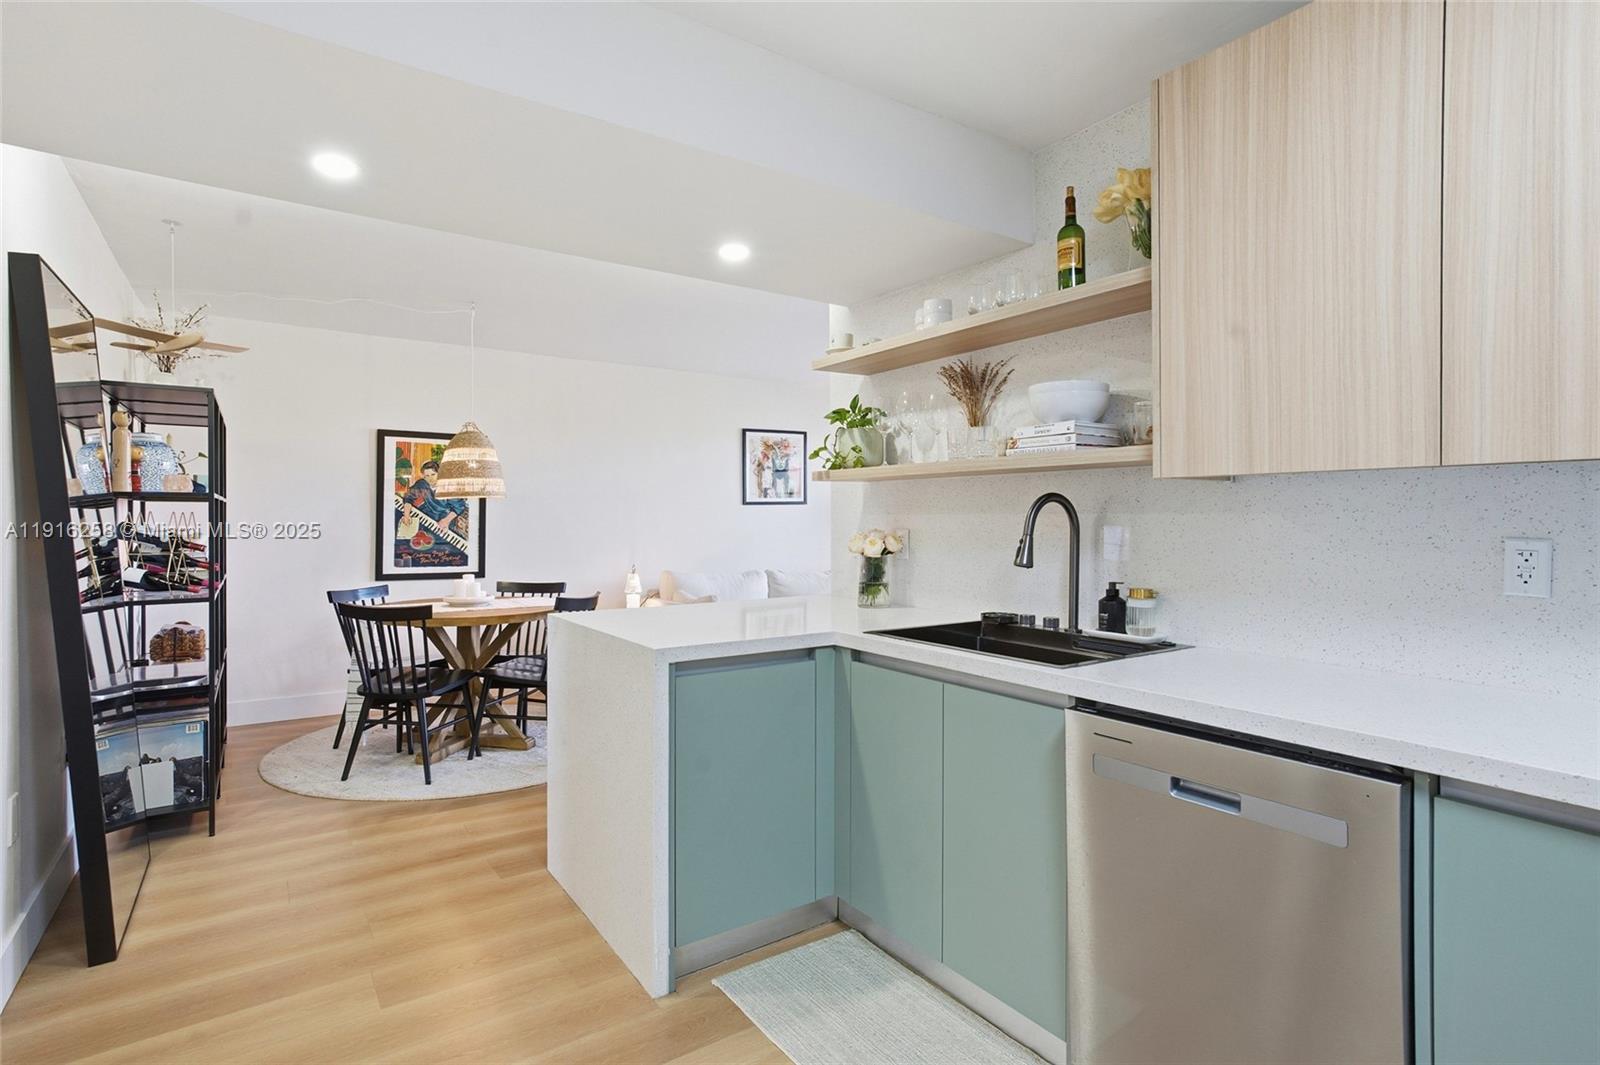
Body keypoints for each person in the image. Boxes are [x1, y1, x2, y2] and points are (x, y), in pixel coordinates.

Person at [397, 460, 470, 566]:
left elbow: (459, 507)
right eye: (427, 476)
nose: (430, 478)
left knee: (438, 546)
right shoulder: (422, 484)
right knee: (409, 539)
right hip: (427, 514)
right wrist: (406, 515)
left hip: (445, 517)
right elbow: (408, 497)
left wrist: (446, 521)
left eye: (433, 474)